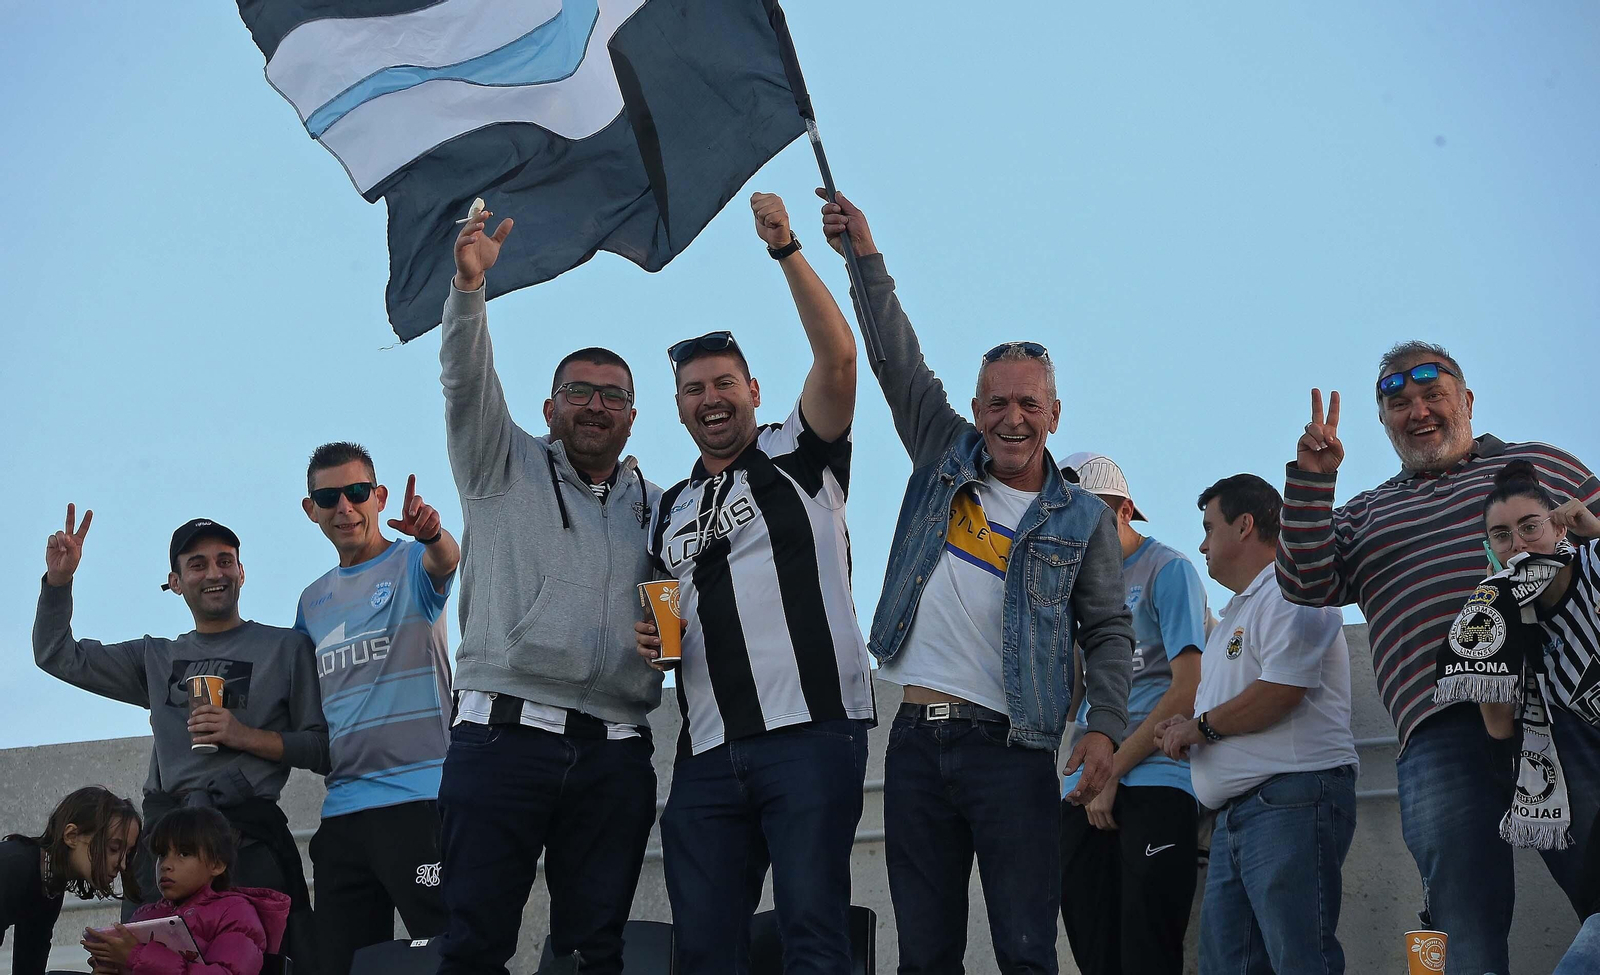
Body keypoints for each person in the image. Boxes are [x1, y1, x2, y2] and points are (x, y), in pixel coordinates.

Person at [808, 191, 1133, 974]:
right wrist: (863, 256)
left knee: (1027, 950)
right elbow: (893, 357)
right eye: (997, 402)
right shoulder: (942, 450)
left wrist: (1105, 726)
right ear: (976, 406)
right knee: (925, 956)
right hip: (916, 742)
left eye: (1029, 403)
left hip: (1013, 749)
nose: (1012, 417)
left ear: (1055, 412)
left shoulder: (1081, 517)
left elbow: (1108, 630)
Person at [1278, 342, 1600, 972]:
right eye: (1399, 403)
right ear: (1383, 421)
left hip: (1559, 710)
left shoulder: (1542, 466)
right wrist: (1313, 479)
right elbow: (1304, 581)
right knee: (1460, 924)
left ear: (1467, 400)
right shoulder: (1365, 513)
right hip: (1438, 729)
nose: (1418, 411)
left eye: (1433, 395)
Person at [635, 191, 874, 975]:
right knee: (704, 950)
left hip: (810, 730)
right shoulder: (667, 507)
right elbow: (663, 620)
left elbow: (839, 360)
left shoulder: (798, 450)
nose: (711, 397)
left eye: (724, 382)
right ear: (678, 407)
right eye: (695, 388)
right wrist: (652, 642)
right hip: (706, 751)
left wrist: (786, 250)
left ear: (754, 390)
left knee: (813, 932)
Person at [435, 205, 663, 975]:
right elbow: (466, 382)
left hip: (616, 755)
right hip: (502, 739)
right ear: (548, 407)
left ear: (632, 416)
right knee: (474, 948)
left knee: (596, 953)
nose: (595, 404)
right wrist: (469, 292)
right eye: (579, 391)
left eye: (612, 395)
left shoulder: (660, 507)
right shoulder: (499, 462)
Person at [33, 509, 327, 970]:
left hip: (244, 844)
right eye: (197, 564)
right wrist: (58, 581)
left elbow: (321, 748)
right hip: (163, 847)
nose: (214, 573)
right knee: (143, 962)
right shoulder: (156, 657)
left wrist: (243, 735)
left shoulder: (286, 648)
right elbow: (57, 655)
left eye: (224, 561)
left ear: (242, 572)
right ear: (175, 581)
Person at [1156, 473, 1358, 974]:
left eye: (1209, 528)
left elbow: (1282, 691)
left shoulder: (1293, 591)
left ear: (1245, 525)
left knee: (1300, 961)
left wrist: (1200, 729)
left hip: (1289, 802)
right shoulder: (1240, 611)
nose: (1202, 545)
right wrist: (1189, 725)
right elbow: (1247, 698)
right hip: (1242, 815)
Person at [294, 442, 459, 975]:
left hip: (420, 800)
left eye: (357, 492)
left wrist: (431, 533)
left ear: (379, 496)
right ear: (311, 509)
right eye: (328, 497)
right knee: (340, 966)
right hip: (342, 812)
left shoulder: (410, 562)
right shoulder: (312, 601)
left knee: (453, 955)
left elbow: (446, 559)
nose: (344, 507)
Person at [1057, 453, 1207, 975]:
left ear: (1124, 511)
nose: (1075, 528)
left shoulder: (1168, 569)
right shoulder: (1073, 585)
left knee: (1148, 951)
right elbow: (1070, 700)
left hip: (1156, 776)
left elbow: (1188, 689)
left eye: (1088, 513)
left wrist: (1113, 770)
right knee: (1093, 952)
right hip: (1081, 786)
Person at [1439, 462, 1600, 919]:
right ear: (1489, 548)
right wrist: (1500, 622)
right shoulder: (1488, 608)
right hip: (1571, 772)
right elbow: (1499, 732)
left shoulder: (1593, 561)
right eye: (1502, 535)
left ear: (1559, 527)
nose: (1518, 544)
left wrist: (1595, 529)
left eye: (1530, 527)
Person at [84, 807, 290, 975]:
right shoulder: (144, 916)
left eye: (183, 853)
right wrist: (112, 965)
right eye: (162, 854)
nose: (166, 865)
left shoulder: (235, 913)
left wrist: (137, 956)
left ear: (217, 865)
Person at [1, 787, 141, 975]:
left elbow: (29, 964)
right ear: (71, 836)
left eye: (128, 853)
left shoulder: (49, 883)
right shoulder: (13, 868)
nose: (122, 864)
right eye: (114, 848)